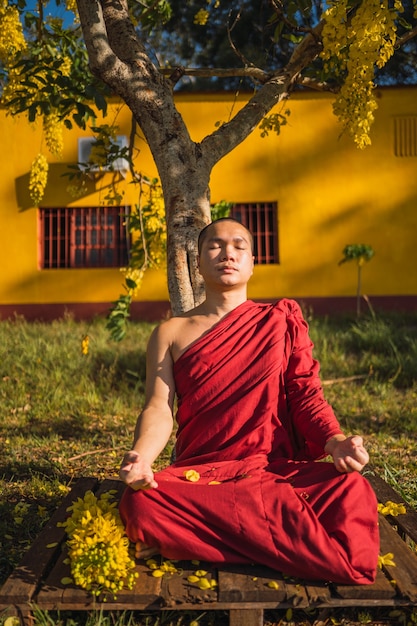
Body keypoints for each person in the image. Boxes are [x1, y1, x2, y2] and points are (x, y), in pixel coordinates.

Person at [119, 218, 379, 584]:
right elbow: (158, 407)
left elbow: (307, 395)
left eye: (239, 246)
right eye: (215, 246)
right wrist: (142, 458)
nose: (228, 253)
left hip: (271, 469)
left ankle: (189, 543)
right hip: (205, 477)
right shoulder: (169, 332)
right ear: (198, 263)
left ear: (253, 261)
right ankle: (289, 548)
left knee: (352, 490)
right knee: (140, 504)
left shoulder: (280, 320)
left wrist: (335, 442)